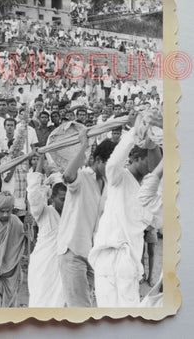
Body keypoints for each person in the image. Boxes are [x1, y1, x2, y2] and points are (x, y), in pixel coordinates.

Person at [89, 113, 162, 307]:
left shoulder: (149, 194)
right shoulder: (119, 178)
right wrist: (132, 134)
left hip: (128, 261)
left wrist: (153, 145)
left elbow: (157, 171)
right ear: (136, 158)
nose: (153, 167)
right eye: (148, 158)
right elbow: (113, 163)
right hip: (106, 255)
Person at [57, 128, 117, 307]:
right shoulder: (83, 176)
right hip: (73, 251)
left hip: (92, 254)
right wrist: (84, 145)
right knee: (81, 310)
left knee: (82, 306)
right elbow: (68, 176)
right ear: (98, 160)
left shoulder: (108, 185)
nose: (113, 169)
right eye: (110, 164)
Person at [26, 156, 66, 307]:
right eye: (62, 199)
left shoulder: (71, 215)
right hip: (43, 264)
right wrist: (40, 161)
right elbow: (34, 194)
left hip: (62, 266)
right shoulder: (43, 212)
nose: (66, 202)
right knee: (40, 301)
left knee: (60, 304)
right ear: (52, 198)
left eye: (68, 198)